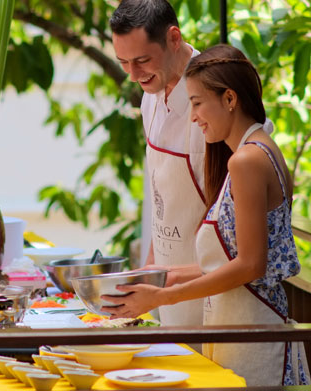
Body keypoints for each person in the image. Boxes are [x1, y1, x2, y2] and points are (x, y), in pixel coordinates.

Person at [102, 45, 310, 386]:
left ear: (230, 99)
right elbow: (233, 260)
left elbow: (250, 266)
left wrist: (164, 296)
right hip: (244, 325)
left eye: (197, 102)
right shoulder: (257, 149)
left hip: (252, 330)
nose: (193, 115)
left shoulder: (246, 160)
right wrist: (163, 274)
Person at [109, 0, 205, 327]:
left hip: (212, 300)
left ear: (174, 38)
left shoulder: (215, 97)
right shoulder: (150, 97)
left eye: (142, 60)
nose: (133, 75)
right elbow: (163, 197)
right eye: (123, 62)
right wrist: (150, 269)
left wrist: (164, 287)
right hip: (167, 297)